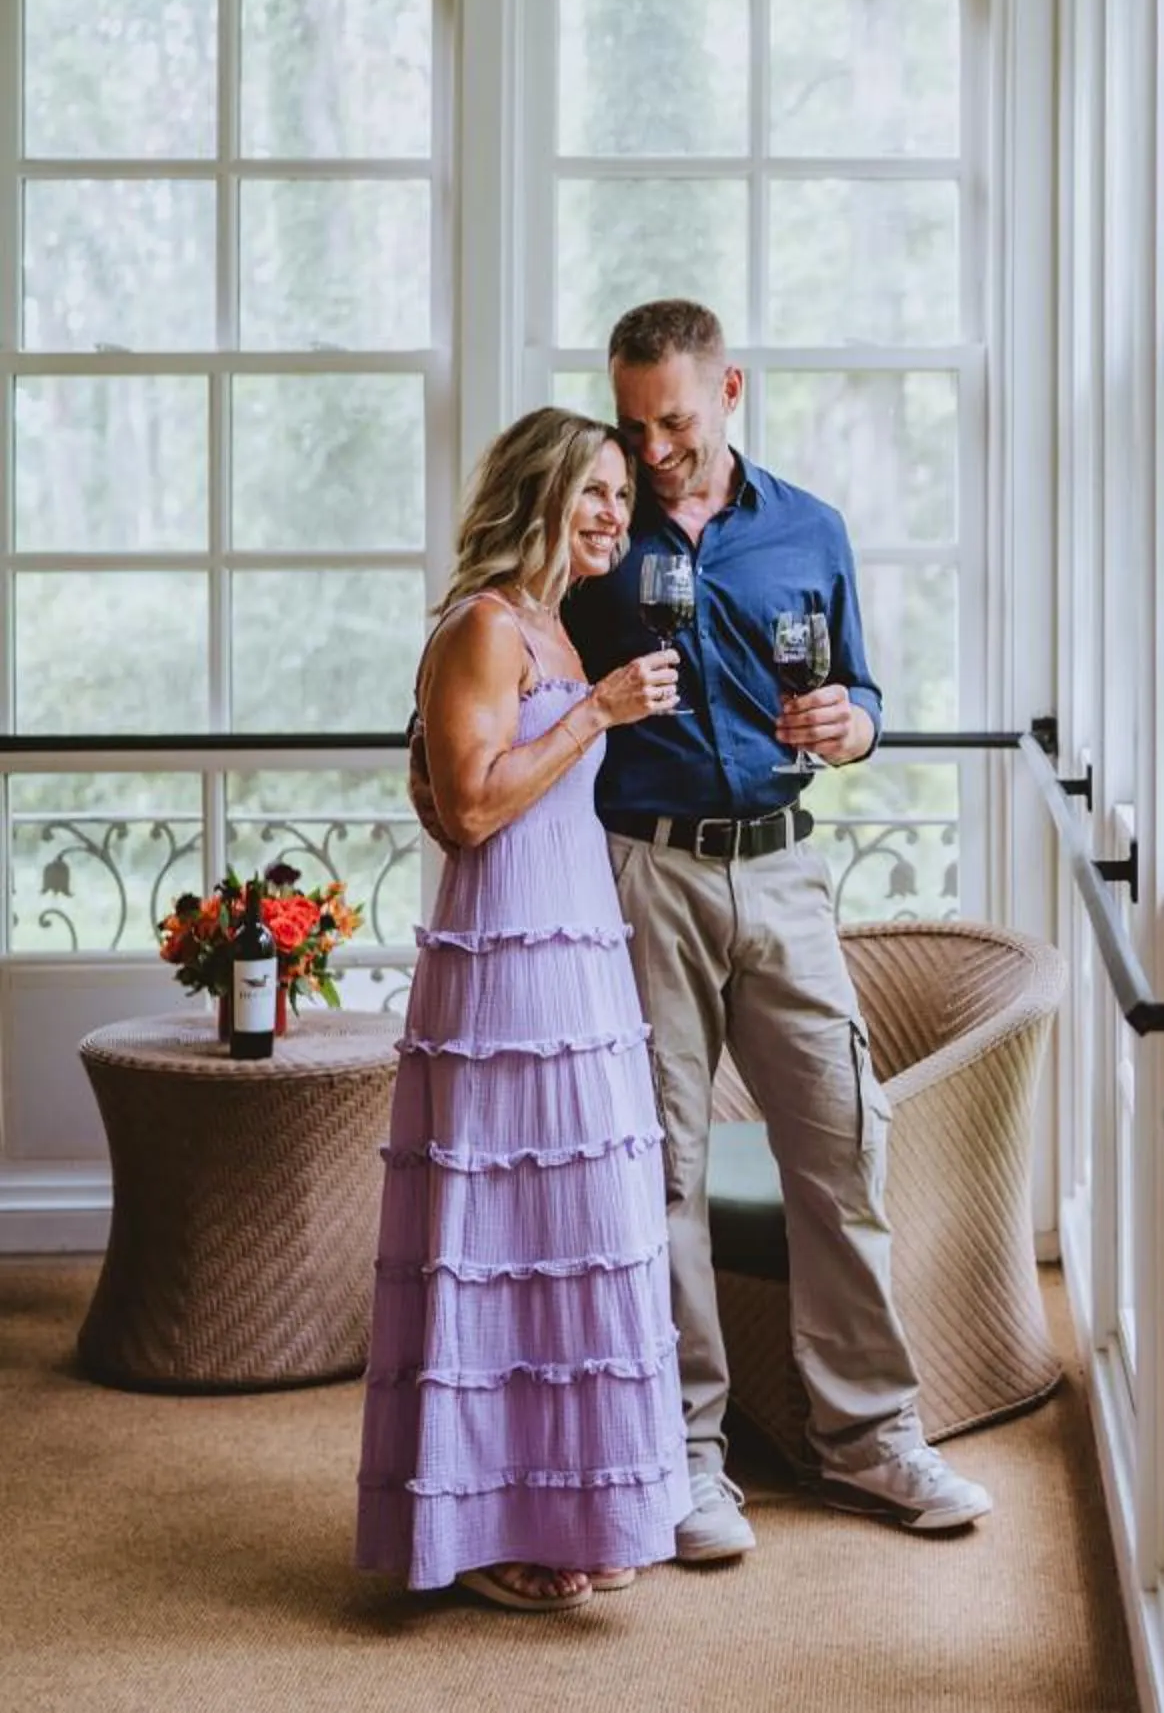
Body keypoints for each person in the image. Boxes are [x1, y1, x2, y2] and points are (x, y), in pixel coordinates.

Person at [565, 297, 990, 1558]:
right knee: (666, 1176)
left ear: (730, 388)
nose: (651, 452)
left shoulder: (810, 528)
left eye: (675, 422)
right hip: (646, 874)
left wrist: (855, 725)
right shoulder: (593, 530)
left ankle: (871, 1442)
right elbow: (517, 649)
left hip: (788, 872)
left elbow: (860, 691)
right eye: (633, 424)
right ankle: (687, 1461)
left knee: (842, 1151)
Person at [357, 408, 689, 1612]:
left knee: (576, 1236)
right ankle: (484, 1526)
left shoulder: (553, 623)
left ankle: (566, 1507)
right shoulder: (485, 627)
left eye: (620, 495)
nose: (614, 513)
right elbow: (475, 806)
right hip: (503, 963)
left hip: (580, 956)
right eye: (591, 493)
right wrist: (597, 711)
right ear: (535, 495)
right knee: (496, 1245)